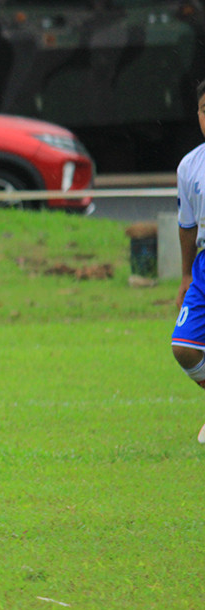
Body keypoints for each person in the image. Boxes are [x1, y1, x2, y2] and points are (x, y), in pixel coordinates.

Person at [173, 79, 205, 442]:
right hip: (203, 267)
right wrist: (185, 275)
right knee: (185, 348)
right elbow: (187, 226)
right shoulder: (189, 167)